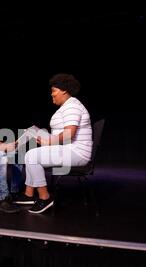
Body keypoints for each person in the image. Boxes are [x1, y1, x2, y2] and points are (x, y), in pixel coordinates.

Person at [14, 74, 92, 214]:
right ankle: (28, 195)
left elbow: (69, 134)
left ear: (64, 90)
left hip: (76, 152)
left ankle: (45, 198)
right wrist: (40, 135)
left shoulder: (72, 106)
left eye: (54, 90)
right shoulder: (67, 106)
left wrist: (48, 141)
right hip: (67, 148)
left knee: (32, 156)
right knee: (31, 133)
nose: (51, 94)